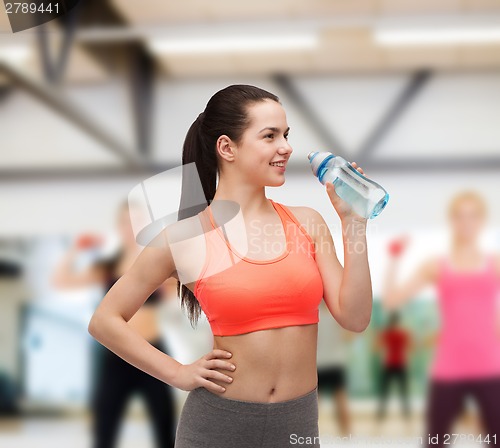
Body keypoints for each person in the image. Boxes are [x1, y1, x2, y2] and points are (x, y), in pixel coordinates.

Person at [87, 84, 373, 448]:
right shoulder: (185, 238)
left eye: (286, 135)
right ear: (227, 148)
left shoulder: (309, 222)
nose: (285, 147)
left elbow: (356, 317)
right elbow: (105, 320)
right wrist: (178, 372)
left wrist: (354, 223)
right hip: (217, 426)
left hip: (297, 423)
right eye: (269, 136)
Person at [52, 201, 176, 448]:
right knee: (104, 429)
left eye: (136, 222)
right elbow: (62, 280)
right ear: (119, 227)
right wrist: (75, 249)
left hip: (152, 352)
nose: (131, 228)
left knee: (165, 428)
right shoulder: (107, 265)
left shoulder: (158, 263)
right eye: (125, 222)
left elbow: (186, 289)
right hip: (115, 356)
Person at [383, 191, 500, 447]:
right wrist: (393, 259)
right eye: (460, 216)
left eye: (473, 216)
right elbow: (392, 299)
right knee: (435, 442)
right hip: (449, 368)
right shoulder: (436, 265)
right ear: (452, 221)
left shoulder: (495, 263)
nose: (466, 222)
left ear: (482, 221)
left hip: (491, 367)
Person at [316, 300, 352, 435]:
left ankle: (309, 437)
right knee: (341, 400)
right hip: (336, 362)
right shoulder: (338, 313)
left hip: (319, 362)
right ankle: (347, 435)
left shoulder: (314, 314)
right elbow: (349, 336)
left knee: (315, 405)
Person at [375, 311, 411, 421]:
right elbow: (410, 347)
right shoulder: (402, 334)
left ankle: (381, 414)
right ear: (398, 322)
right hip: (400, 364)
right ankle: (406, 414)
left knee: (385, 391)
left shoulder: (387, 333)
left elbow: (377, 346)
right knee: (403, 391)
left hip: (389, 364)